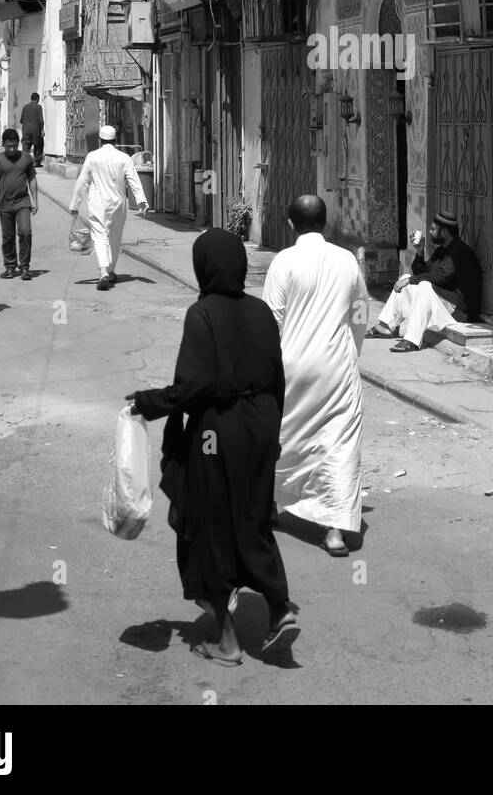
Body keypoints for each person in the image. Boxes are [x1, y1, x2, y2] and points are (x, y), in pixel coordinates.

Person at [127, 230, 299, 665]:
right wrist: (272, 438)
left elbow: (193, 387)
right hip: (260, 428)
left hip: (215, 435)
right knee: (253, 516)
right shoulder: (262, 312)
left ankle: (228, 641)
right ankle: (278, 607)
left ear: (203, 267)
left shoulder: (201, 313)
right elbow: (278, 379)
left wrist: (149, 403)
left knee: (209, 526)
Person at [262, 195, 368, 558]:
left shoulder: (283, 261)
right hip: (337, 366)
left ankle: (272, 505)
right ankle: (335, 530)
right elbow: (359, 314)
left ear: (291, 224)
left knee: (284, 437)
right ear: (326, 221)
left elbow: (272, 319)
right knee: (338, 444)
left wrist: (268, 366)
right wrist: (351, 352)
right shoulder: (346, 260)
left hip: (291, 365)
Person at [368, 209, 483, 353]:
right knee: (406, 280)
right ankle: (386, 327)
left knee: (424, 286)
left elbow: (439, 278)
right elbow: (423, 273)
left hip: (458, 312)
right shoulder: (441, 251)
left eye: (433, 229)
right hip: (443, 303)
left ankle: (412, 340)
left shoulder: (460, 253)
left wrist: (412, 280)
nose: (429, 232)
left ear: (444, 232)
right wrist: (419, 252)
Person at [69, 124, 148, 290]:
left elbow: (82, 181)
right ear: (115, 140)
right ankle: (110, 271)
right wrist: (141, 200)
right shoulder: (124, 157)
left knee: (100, 236)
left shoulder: (92, 156)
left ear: (100, 140)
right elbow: (133, 179)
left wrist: (75, 203)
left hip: (98, 203)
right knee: (115, 237)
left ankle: (103, 271)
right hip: (118, 203)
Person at [0, 129, 38, 281]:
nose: (11, 149)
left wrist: (34, 200)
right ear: (3, 144)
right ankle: (10, 266)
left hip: (23, 202)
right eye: (8, 146)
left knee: (25, 232)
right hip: (5, 204)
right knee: (7, 237)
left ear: (18, 144)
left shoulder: (26, 158)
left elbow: (32, 180)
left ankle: (25, 267)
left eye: (14, 146)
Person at [19, 92, 45, 167]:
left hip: (26, 130)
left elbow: (21, 120)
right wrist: (42, 130)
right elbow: (41, 121)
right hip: (35, 130)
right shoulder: (38, 107)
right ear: (37, 99)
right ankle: (36, 162)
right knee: (38, 145)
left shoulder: (25, 107)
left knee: (26, 146)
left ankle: (25, 162)